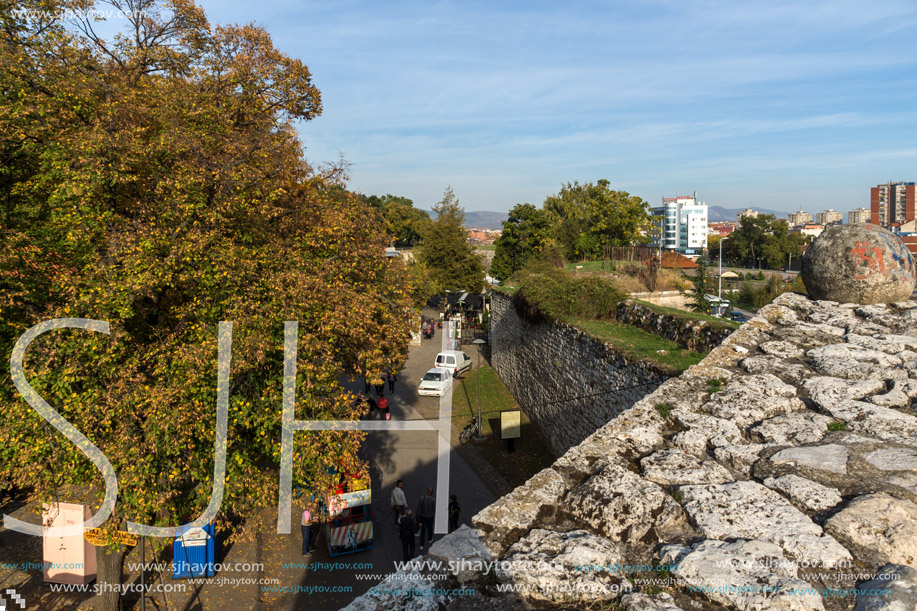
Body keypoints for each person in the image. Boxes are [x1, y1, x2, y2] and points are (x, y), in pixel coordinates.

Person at [416, 488, 436, 553]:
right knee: (430, 528)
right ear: (432, 493)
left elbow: (418, 509)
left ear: (427, 491)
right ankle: (430, 539)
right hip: (430, 517)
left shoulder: (422, 498)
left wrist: (417, 517)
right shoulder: (433, 500)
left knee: (423, 531)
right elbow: (435, 509)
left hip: (423, 517)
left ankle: (421, 545)